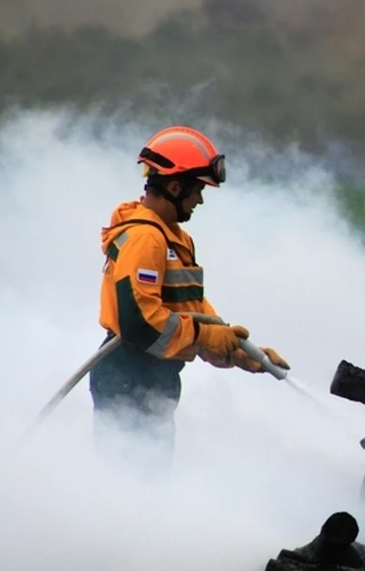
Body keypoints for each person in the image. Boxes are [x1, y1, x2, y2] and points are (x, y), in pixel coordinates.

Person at [89, 125, 290, 475]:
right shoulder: (145, 240)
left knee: (149, 477)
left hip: (153, 374)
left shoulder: (175, 240)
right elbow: (141, 324)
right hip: (129, 372)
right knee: (132, 482)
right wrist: (204, 337)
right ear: (175, 185)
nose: (200, 200)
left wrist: (238, 350)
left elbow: (191, 309)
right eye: (197, 189)